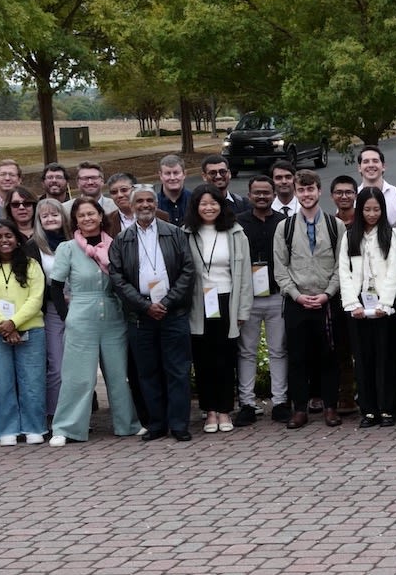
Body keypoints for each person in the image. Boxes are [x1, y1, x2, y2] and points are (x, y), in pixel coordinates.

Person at [47, 199, 138, 444]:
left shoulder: (114, 245)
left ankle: (127, 424)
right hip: (81, 313)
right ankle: (66, 428)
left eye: (91, 213)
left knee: (118, 373)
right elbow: (55, 286)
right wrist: (67, 317)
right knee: (79, 376)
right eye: (81, 215)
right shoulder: (68, 248)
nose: (87, 219)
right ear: (75, 220)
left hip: (112, 313)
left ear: (100, 216)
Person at [112, 188, 198, 441]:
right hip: (141, 314)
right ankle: (157, 423)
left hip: (173, 311)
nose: (145, 204)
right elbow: (117, 278)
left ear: (156, 203)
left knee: (178, 370)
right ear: (131, 205)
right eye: (139, 201)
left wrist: (168, 302)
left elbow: (187, 271)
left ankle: (179, 424)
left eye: (150, 200)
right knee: (147, 372)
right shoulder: (122, 239)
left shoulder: (175, 233)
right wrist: (143, 305)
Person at [274, 170, 345, 428]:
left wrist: (328, 294)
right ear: (295, 192)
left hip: (327, 302)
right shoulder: (286, 227)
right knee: (298, 357)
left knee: (328, 356)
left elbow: (341, 266)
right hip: (297, 303)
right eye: (301, 190)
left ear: (319, 191)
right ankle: (300, 409)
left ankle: (330, 407)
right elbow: (280, 269)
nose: (306, 194)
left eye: (310, 189)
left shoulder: (335, 225)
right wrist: (296, 295)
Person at [182, 186, 252, 434]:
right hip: (198, 304)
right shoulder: (186, 233)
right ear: (195, 207)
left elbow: (244, 276)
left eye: (214, 203)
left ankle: (224, 410)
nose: (209, 207)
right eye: (203, 203)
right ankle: (209, 411)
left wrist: (243, 309)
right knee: (203, 359)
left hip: (227, 301)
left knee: (225, 358)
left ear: (222, 205)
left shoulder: (235, 233)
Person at [0, 222, 49, 445]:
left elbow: (36, 298)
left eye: (8, 236)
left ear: (17, 239)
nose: (4, 240)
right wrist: (4, 325)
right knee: (2, 382)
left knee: (32, 381)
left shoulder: (32, 265)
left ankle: (34, 427)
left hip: (31, 329)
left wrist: (14, 322)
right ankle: (7, 429)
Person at [340, 190, 396, 427]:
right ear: (359, 210)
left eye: (376, 209)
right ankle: (368, 410)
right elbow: (344, 272)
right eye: (367, 209)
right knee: (363, 359)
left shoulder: (392, 234)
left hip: (384, 306)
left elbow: (394, 271)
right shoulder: (350, 236)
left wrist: (384, 304)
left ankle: (387, 408)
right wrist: (352, 304)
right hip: (358, 306)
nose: (371, 214)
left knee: (385, 358)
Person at [235, 175, 286, 426]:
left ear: (274, 194)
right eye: (257, 193)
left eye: (267, 192)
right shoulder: (238, 223)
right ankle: (246, 403)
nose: (262, 196)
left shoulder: (284, 222)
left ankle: (280, 402)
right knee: (247, 352)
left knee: (278, 350)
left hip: (277, 295)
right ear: (249, 194)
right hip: (249, 297)